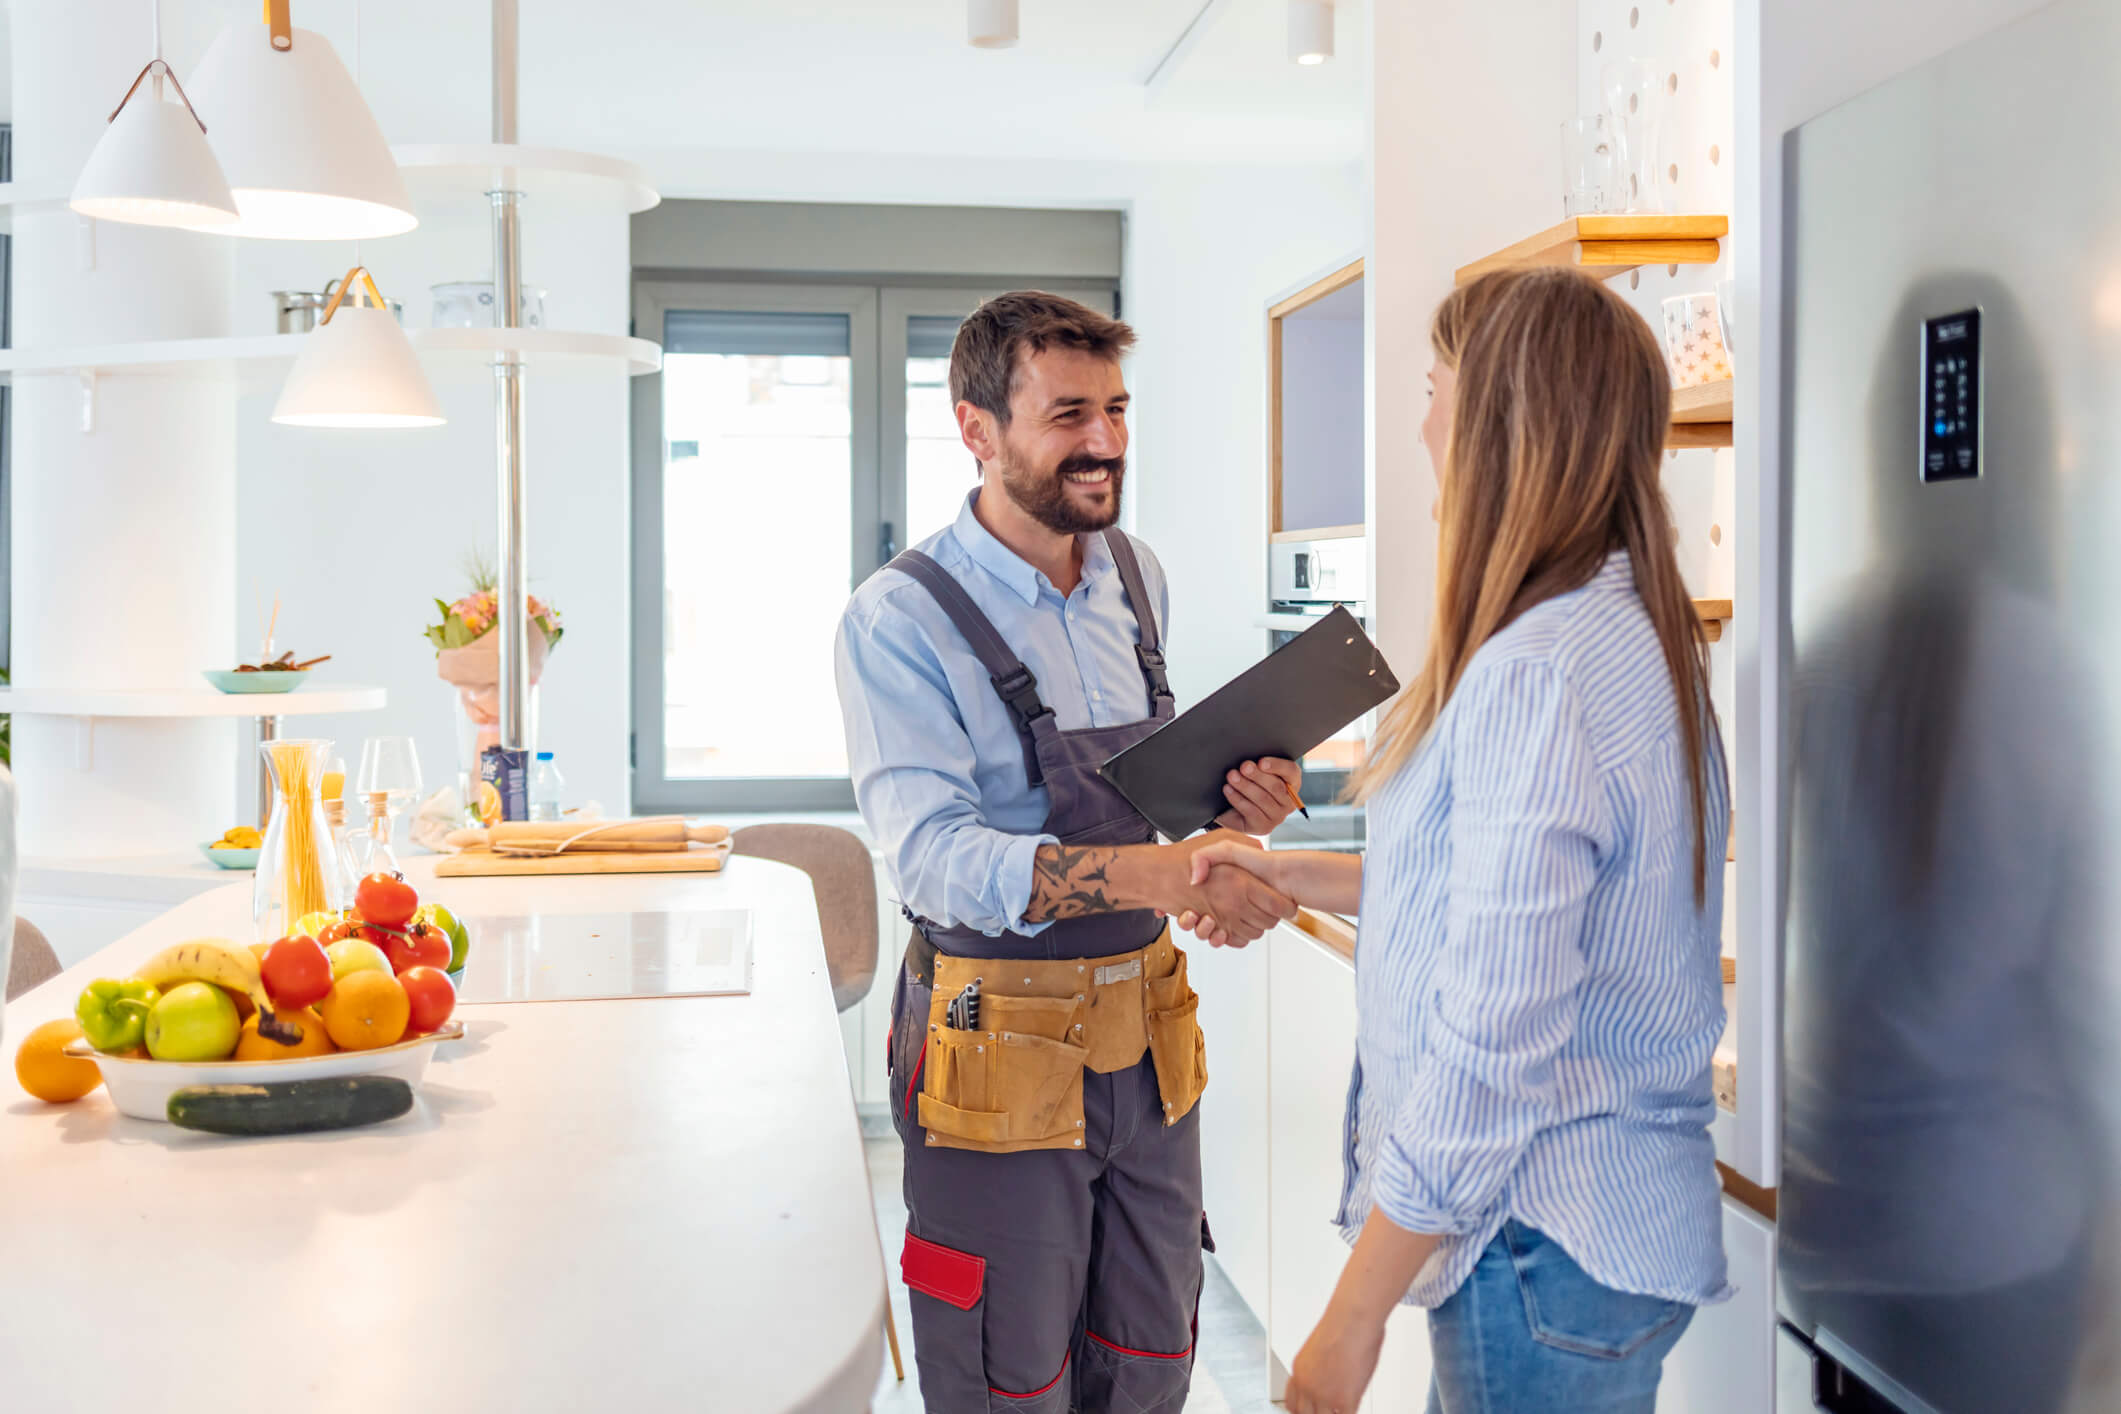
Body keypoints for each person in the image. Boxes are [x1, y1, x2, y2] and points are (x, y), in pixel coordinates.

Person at [1187, 266, 1732, 1412]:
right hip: (1595, 1244)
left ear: (1499, 424)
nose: (1422, 425)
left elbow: (1494, 1037)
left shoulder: (1536, 671)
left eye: (1436, 388)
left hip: (1534, 1240)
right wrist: (1285, 871)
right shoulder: (1626, 631)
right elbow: (1478, 897)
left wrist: (1352, 1313)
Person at [834, 290, 1302, 1412]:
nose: (1104, 442)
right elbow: (935, 859)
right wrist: (1162, 871)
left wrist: (1239, 812)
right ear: (978, 429)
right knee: (1008, 1373)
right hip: (994, 1048)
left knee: (1148, 1354)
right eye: (1068, 414)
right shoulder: (897, 620)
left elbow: (1149, 804)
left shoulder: (1135, 576)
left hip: (1146, 1042)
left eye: (1118, 410)